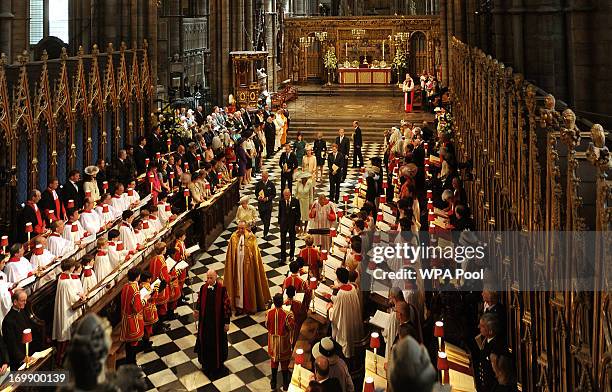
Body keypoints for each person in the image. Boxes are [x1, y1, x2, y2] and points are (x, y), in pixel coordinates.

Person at [224, 221, 271, 314]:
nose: (241, 230)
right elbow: (230, 254)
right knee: (238, 286)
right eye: (239, 228)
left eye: (242, 228)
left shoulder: (251, 237)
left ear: (246, 228)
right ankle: (239, 307)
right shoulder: (233, 238)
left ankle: (250, 306)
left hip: (249, 268)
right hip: (237, 267)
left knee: (249, 285)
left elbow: (255, 254)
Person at [194, 270, 231, 376]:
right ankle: (206, 365)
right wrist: (197, 311)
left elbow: (226, 307)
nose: (209, 280)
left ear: (216, 277)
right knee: (206, 344)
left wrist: (227, 322)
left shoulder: (222, 289)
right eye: (208, 278)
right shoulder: (203, 288)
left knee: (217, 345)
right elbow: (199, 301)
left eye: (211, 278)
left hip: (217, 325)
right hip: (205, 324)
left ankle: (217, 366)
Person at [53, 258, 86, 367]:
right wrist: (81, 296)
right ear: (71, 267)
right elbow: (72, 298)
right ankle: (62, 360)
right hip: (68, 311)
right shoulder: (66, 281)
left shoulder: (63, 277)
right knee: (66, 336)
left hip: (65, 308)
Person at [329, 267, 363, 359]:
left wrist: (330, 309)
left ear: (339, 279)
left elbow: (336, 312)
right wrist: (331, 296)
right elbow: (343, 301)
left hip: (345, 321)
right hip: (352, 317)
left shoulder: (341, 293)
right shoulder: (352, 287)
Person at [266, 293, 294, 391]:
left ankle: (273, 382)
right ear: (282, 302)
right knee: (284, 363)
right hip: (283, 343)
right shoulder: (288, 314)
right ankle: (285, 384)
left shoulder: (268, 313)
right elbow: (291, 327)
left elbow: (267, 325)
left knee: (274, 362)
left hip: (273, 342)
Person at [476, 313, 507, 392]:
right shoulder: (485, 340)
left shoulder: (496, 346)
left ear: (490, 331)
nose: (479, 327)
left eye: (482, 326)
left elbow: (498, 374)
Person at [120, 267, 144, 365]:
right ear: (138, 277)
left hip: (125, 317)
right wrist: (145, 299)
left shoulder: (126, 286)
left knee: (128, 343)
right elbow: (137, 308)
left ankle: (129, 361)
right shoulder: (135, 289)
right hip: (132, 320)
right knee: (133, 343)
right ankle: (132, 363)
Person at [1, 289, 29, 370]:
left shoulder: (23, 312)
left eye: (25, 300)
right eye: (22, 300)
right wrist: (22, 357)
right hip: (18, 360)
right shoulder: (8, 320)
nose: (25, 303)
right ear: (15, 302)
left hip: (26, 353)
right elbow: (11, 344)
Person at [278, 189, 301, 265]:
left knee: (292, 241)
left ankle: (291, 255)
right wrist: (279, 223)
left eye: (287, 195)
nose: (286, 197)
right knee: (283, 241)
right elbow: (280, 213)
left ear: (290, 194)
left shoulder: (295, 201)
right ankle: (283, 257)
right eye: (284, 195)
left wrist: (297, 224)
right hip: (283, 224)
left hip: (292, 224)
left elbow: (298, 214)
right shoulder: (281, 201)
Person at [255, 171, 276, 238]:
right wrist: (259, 197)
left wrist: (267, 198)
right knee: (262, 217)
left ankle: (265, 233)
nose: (263, 178)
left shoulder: (271, 184)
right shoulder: (258, 184)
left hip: (268, 205)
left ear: (267, 177)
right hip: (261, 204)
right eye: (262, 176)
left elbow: (274, 194)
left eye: (264, 176)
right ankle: (266, 225)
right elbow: (256, 193)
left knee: (267, 220)